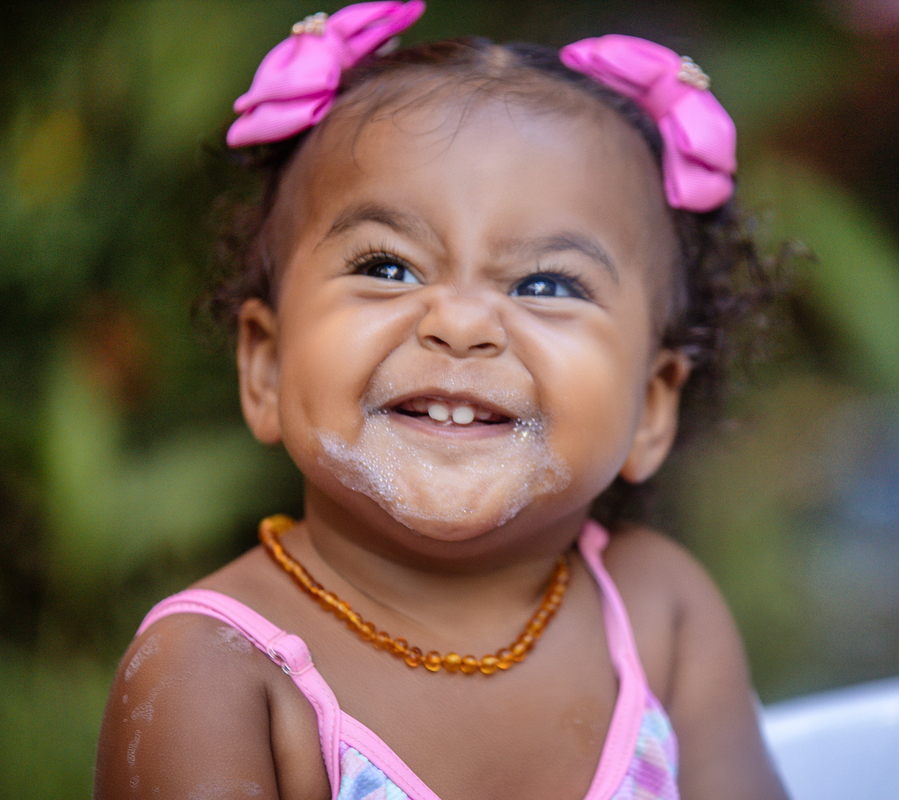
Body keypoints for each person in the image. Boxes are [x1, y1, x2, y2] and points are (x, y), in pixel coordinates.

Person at [94, 2, 789, 798]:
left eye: (546, 284)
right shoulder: (215, 674)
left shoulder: (659, 612)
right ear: (266, 366)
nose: (460, 323)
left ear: (653, 405)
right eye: (388, 267)